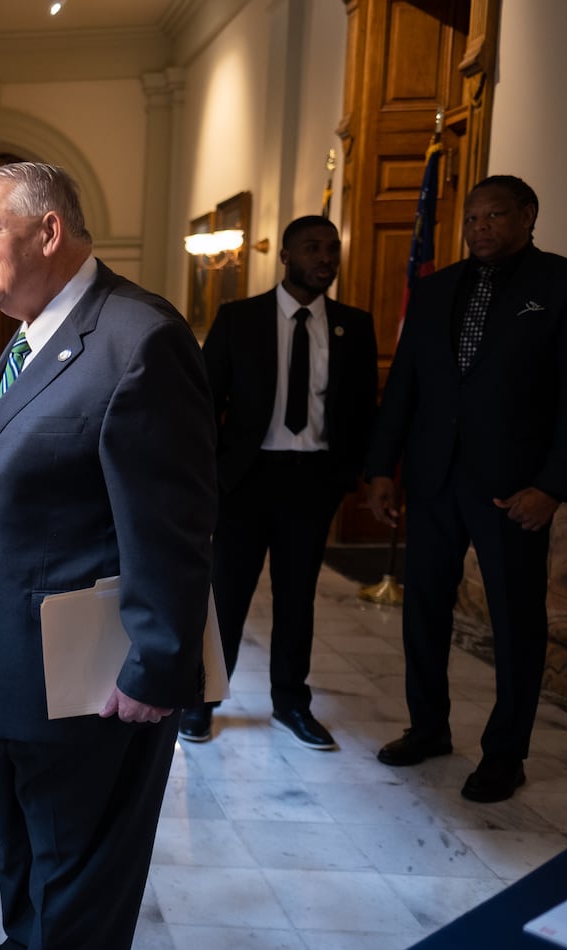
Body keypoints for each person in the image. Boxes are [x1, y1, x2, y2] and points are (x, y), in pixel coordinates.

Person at [0, 163, 217, 950]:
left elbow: (173, 522)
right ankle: (27, 948)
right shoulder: (33, 331)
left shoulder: (139, 338)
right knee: (22, 841)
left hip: (81, 682)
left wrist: (158, 666)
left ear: (48, 231)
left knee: (81, 868)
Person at [366, 175, 567, 802]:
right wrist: (381, 470)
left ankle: (505, 754)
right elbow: (407, 387)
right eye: (471, 218)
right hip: (434, 480)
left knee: (515, 622)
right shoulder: (436, 288)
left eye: (494, 215)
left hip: (514, 491)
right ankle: (429, 728)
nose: (480, 228)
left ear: (527, 214)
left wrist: (552, 487)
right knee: (424, 613)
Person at [183, 216, 377, 747]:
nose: (326, 258)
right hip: (247, 479)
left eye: (332, 249)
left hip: (313, 481)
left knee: (298, 597)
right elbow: (202, 399)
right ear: (286, 256)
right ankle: (202, 701)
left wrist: (351, 476)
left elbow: (362, 409)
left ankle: (291, 703)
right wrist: (210, 474)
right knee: (227, 594)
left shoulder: (354, 326)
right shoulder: (240, 319)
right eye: (313, 248)